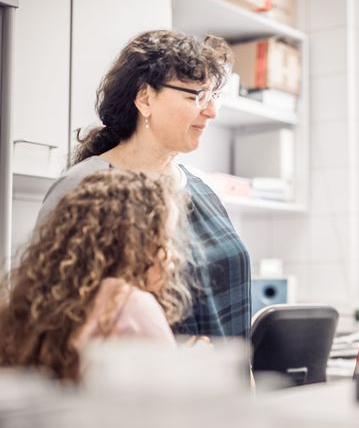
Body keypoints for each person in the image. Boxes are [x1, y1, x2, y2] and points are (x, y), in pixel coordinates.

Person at [36, 30, 251, 339]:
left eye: (214, 96)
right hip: (147, 386)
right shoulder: (85, 187)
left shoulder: (203, 187)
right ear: (145, 98)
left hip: (228, 384)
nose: (212, 111)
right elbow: (50, 318)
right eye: (196, 96)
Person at [0, 170, 192, 381]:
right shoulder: (130, 304)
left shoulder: (40, 304)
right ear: (133, 245)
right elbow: (171, 395)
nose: (172, 255)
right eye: (164, 240)